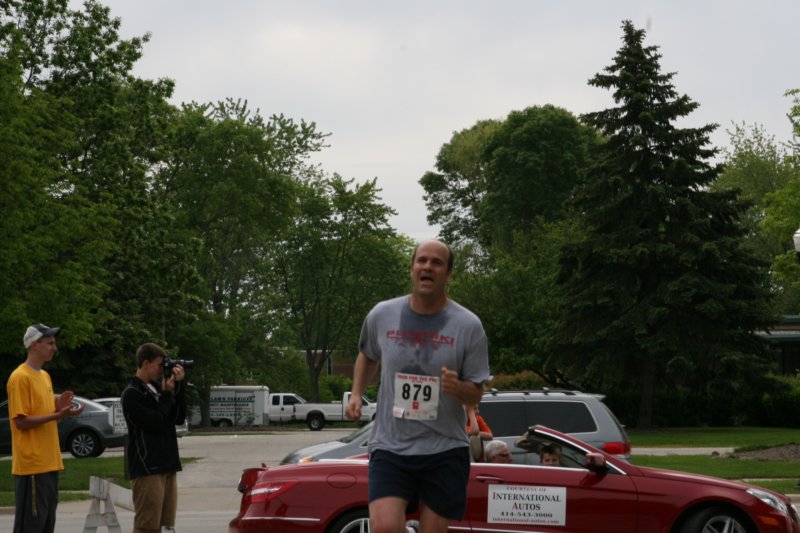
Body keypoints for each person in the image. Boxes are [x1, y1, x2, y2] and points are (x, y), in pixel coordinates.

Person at [345, 239, 491, 533]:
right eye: (421, 260)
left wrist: (459, 388)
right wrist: (357, 393)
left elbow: (477, 389)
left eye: (437, 263)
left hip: (444, 448)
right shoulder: (382, 314)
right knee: (385, 527)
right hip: (390, 445)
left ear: (448, 274)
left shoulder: (468, 325)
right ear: (412, 268)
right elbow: (368, 355)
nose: (428, 267)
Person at [7, 323, 85, 533]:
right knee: (31, 527)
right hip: (32, 467)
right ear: (34, 345)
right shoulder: (20, 377)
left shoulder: (44, 376)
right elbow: (21, 422)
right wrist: (57, 414)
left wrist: (61, 412)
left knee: (46, 526)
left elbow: (47, 421)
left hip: (49, 464)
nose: (54, 348)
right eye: (50, 343)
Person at [121, 343, 187, 533]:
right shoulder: (132, 393)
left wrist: (179, 386)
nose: (162, 369)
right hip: (148, 467)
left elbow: (178, 418)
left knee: (166, 525)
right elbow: (155, 423)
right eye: (159, 365)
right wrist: (165, 395)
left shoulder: (158, 389)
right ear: (145, 363)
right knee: (147, 525)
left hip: (167, 463)